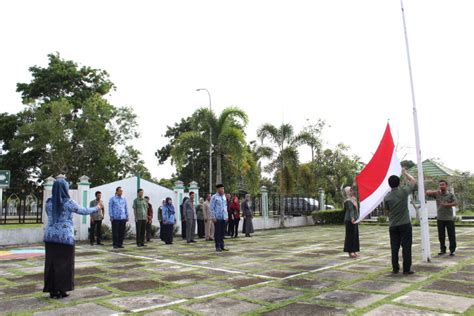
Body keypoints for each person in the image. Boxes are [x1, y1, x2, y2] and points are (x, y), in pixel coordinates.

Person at [43, 179, 102, 299]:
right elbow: (83, 211)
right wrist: (97, 207)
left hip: (50, 237)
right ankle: (61, 289)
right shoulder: (68, 202)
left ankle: (52, 290)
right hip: (65, 238)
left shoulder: (48, 202)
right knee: (64, 265)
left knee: (52, 264)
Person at [383, 168, 417, 275]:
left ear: (389, 184)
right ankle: (406, 269)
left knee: (394, 247)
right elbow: (413, 181)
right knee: (406, 247)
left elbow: (386, 212)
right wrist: (405, 173)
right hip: (405, 224)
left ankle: (395, 268)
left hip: (393, 225)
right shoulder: (403, 191)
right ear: (399, 183)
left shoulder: (387, 196)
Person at [427, 180, 458, 256]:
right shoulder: (437, 194)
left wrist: (447, 204)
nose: (441, 186)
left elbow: (456, 203)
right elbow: (427, 192)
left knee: (451, 235)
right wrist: (436, 191)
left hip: (449, 218)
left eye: (443, 184)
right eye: (440, 185)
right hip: (440, 218)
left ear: (446, 186)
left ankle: (452, 250)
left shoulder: (450, 195)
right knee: (441, 236)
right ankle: (442, 249)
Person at [211, 184, 229, 252]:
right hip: (217, 218)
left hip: (223, 217)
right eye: (221, 189)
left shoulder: (224, 197)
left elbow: (225, 207)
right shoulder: (214, 197)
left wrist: (226, 216)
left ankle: (222, 246)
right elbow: (212, 208)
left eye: (223, 189)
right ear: (218, 189)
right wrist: (213, 217)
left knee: (222, 233)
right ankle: (217, 246)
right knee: (217, 233)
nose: (222, 190)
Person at [343, 186, 359, 258]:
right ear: (348, 192)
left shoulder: (354, 199)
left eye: (352, 190)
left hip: (355, 219)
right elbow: (350, 210)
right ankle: (350, 251)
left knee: (355, 235)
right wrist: (352, 218)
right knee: (350, 236)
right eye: (350, 190)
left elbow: (356, 210)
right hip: (349, 220)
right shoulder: (348, 201)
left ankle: (354, 250)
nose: (352, 191)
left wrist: (357, 218)